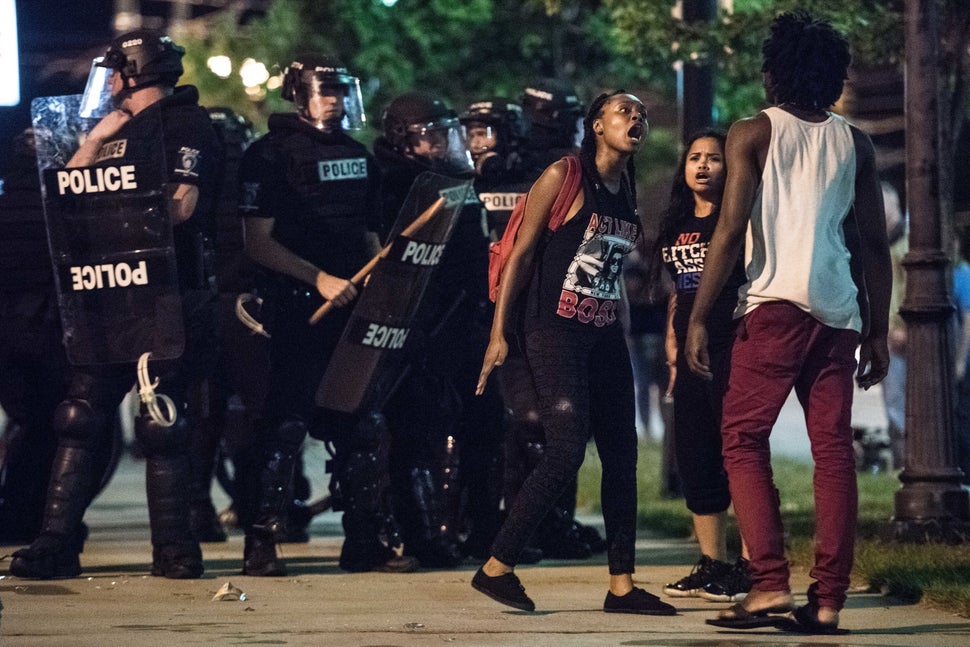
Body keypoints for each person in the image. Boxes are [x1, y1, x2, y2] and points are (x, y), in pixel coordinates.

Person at [684, 12, 891, 633]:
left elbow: (728, 231)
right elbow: (874, 245)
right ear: (833, 76)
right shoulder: (856, 142)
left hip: (775, 305)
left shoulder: (752, 132)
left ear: (774, 71)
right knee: (834, 455)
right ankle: (827, 601)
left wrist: (699, 316)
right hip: (838, 311)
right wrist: (876, 329)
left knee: (742, 440)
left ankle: (768, 584)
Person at [10, 29, 222, 579]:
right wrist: (96, 138)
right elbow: (68, 197)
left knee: (162, 421)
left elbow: (181, 206)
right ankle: (56, 544)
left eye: (114, 73)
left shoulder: (185, 123)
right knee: (79, 416)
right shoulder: (111, 129)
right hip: (107, 290)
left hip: (167, 292)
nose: (107, 85)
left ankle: (175, 550)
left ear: (134, 72)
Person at [473, 90, 674, 616]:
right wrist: (500, 335)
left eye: (641, 114)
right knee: (565, 451)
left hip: (606, 334)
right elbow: (519, 256)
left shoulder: (625, 187)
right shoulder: (563, 175)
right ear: (596, 125)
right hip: (553, 331)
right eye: (624, 111)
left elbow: (611, 268)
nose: (636, 118)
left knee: (622, 456)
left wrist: (624, 330)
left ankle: (623, 586)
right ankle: (497, 567)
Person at [236, 54, 414, 575]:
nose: (335, 100)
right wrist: (317, 280)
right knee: (285, 424)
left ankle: (364, 540)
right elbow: (257, 242)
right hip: (296, 309)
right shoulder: (267, 156)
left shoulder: (359, 157)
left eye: (341, 90)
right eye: (324, 90)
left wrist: (380, 279)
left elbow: (367, 233)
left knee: (361, 423)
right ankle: (262, 540)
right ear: (300, 95)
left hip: (353, 310)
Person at [374, 91, 503, 568]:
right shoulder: (391, 184)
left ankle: (485, 532)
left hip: (467, 323)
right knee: (414, 434)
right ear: (403, 141)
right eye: (433, 135)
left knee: (486, 426)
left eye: (447, 134)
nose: (447, 144)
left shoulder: (457, 181)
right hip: (417, 331)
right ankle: (421, 535)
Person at [655, 129, 752, 603]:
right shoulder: (676, 224)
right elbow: (679, 289)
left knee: (739, 451)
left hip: (731, 341)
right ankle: (712, 562)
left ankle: (754, 566)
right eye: (694, 157)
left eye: (714, 158)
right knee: (694, 452)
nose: (703, 166)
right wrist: (672, 348)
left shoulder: (739, 219)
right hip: (687, 348)